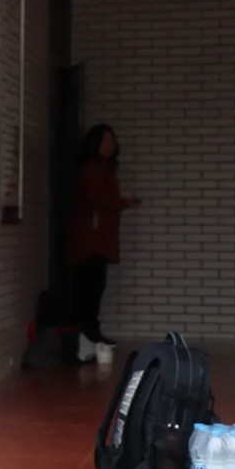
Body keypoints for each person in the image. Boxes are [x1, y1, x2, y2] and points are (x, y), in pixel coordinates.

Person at [69, 124, 140, 347]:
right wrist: (123, 202)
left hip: (98, 240)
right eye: (105, 140)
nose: (110, 145)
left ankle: (90, 334)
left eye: (112, 140)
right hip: (92, 241)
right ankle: (88, 335)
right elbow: (97, 198)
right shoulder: (92, 168)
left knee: (95, 287)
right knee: (91, 287)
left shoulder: (104, 168)